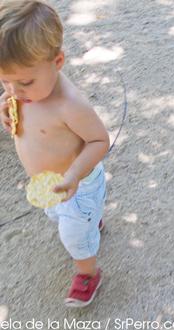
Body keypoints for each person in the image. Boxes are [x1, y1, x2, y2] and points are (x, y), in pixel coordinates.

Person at [0, 0, 110, 307]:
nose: (13, 90)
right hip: (50, 185)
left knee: (74, 237)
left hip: (76, 185)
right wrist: (4, 110)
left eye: (23, 81)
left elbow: (99, 141)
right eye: (4, 80)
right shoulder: (25, 90)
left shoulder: (68, 104)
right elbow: (14, 98)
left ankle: (88, 272)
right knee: (61, 218)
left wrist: (74, 174)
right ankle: (93, 220)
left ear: (58, 61)